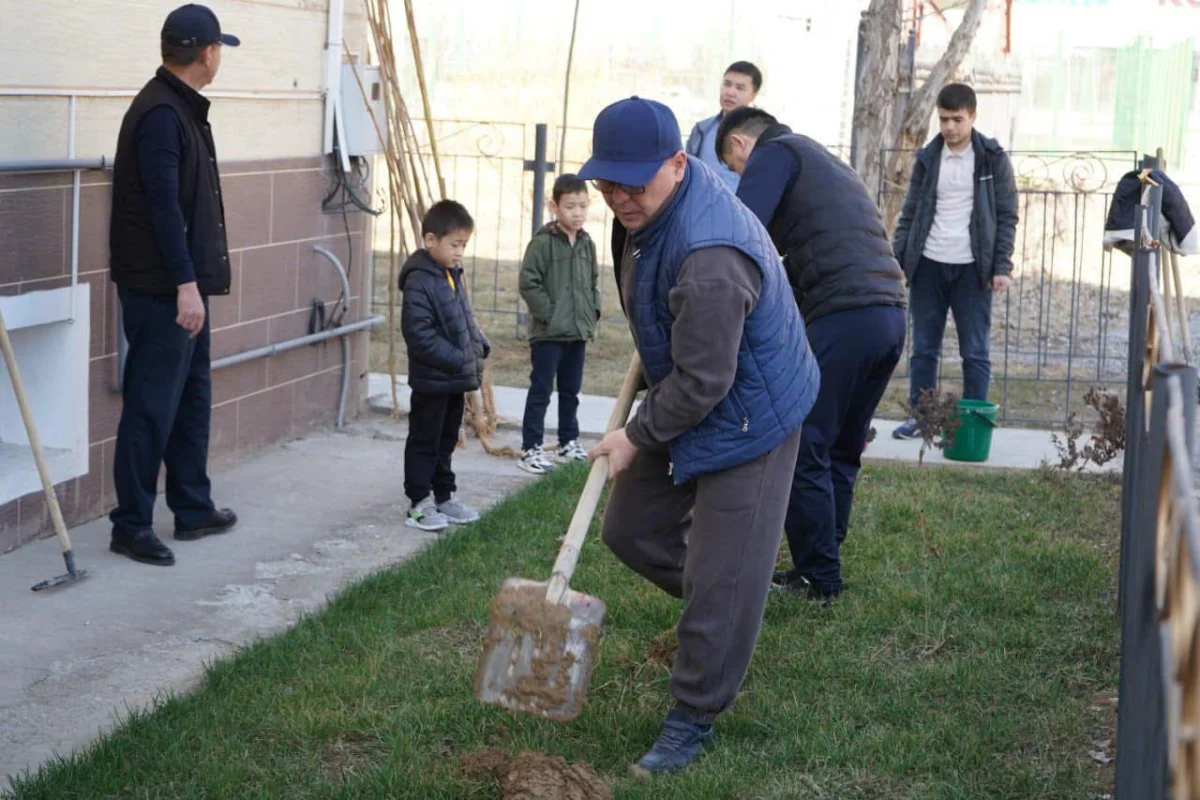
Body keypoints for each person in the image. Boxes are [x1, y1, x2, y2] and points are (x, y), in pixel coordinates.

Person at [580, 96, 819, 777]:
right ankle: (732, 604)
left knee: (717, 580)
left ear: (679, 164)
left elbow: (706, 381)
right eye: (608, 181)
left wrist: (633, 435)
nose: (619, 195)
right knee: (632, 531)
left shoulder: (711, 257)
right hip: (693, 390)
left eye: (635, 181)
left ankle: (695, 713)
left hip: (754, 412)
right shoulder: (646, 211)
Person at [716, 107, 907, 600]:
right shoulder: (825, 159)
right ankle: (824, 560)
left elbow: (744, 231)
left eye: (734, 169)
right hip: (888, 314)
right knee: (841, 446)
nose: (741, 176)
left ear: (740, 145)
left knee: (804, 444)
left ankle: (818, 577)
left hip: (844, 312)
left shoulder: (773, 153)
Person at [107, 4, 242, 567]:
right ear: (206, 54)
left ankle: (192, 507)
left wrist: (194, 283)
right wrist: (186, 286)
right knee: (150, 405)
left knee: (191, 397)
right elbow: (163, 208)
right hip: (163, 290)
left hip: (183, 285)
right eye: (219, 50)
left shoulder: (179, 107)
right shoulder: (162, 113)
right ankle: (131, 524)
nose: (220, 58)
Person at [891, 83, 1019, 439]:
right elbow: (911, 211)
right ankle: (923, 418)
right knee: (923, 349)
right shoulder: (928, 158)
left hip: (972, 268)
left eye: (957, 120)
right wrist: (900, 258)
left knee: (974, 351)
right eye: (944, 119)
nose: (949, 127)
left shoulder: (992, 158)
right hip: (928, 263)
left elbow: (1007, 215)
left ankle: (973, 422)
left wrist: (1001, 266)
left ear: (973, 116)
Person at [399, 200, 490, 533]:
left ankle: (444, 496)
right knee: (425, 439)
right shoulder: (419, 281)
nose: (459, 252)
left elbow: (463, 319)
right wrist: (458, 358)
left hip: (453, 380)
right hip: (432, 381)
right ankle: (418, 503)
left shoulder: (451, 275)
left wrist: (478, 344)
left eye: (464, 245)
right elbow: (419, 334)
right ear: (430, 240)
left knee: (446, 439)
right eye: (454, 244)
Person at [516, 174, 601, 475]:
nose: (577, 213)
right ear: (555, 206)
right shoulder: (542, 243)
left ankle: (568, 441)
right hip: (549, 332)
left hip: (577, 331)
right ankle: (531, 448)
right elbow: (528, 282)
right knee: (541, 389)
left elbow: (592, 283)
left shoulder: (587, 244)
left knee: (571, 390)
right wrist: (549, 314)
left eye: (582, 206)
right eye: (570, 207)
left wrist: (593, 311)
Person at [684, 61, 761, 193]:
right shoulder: (702, 130)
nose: (730, 92)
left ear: (753, 94)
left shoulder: (763, 135)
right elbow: (687, 175)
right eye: (727, 84)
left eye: (740, 88)